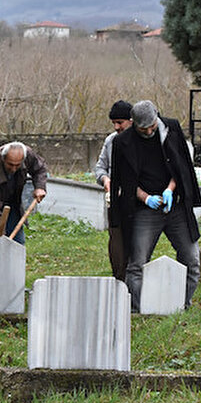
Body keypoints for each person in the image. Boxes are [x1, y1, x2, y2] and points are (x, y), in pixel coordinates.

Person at [109, 100, 201, 313]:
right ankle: (141, 308)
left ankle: (182, 306)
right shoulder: (123, 142)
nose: (150, 131)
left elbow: (181, 167)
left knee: (192, 260)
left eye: (152, 126)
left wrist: (170, 189)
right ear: (134, 124)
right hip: (144, 210)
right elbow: (123, 181)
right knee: (137, 264)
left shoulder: (170, 128)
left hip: (175, 207)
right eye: (144, 129)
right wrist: (146, 198)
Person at [94, 100, 133, 280]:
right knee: (116, 240)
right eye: (114, 123)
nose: (117, 127)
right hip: (114, 200)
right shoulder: (111, 140)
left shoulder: (138, 140)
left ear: (131, 120)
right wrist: (105, 179)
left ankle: (133, 277)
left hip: (136, 200)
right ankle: (119, 276)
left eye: (120, 122)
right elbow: (100, 167)